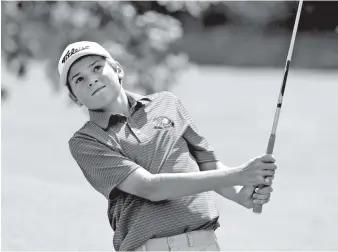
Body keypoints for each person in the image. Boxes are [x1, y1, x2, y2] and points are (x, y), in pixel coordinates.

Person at [58, 41, 277, 251]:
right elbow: (150, 188)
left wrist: (241, 194)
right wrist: (240, 175)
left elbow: (207, 165)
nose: (91, 80)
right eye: (79, 79)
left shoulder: (167, 103)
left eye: (97, 68)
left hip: (205, 242)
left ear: (118, 69)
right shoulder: (86, 141)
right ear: (74, 98)